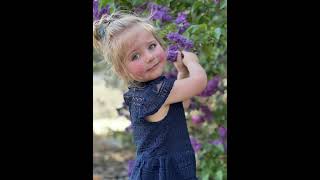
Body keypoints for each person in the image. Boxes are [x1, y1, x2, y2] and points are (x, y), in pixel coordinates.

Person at [93, 11, 207, 180]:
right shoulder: (155, 93)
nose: (149, 57)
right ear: (122, 70)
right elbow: (200, 82)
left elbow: (182, 105)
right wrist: (192, 62)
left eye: (152, 46)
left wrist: (182, 72)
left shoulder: (144, 92)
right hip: (164, 173)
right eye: (135, 56)